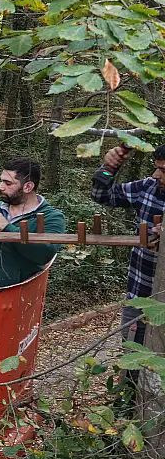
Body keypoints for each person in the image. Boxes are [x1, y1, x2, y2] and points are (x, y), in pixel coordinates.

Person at [93, 144, 165, 344]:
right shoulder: (148, 187)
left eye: (164, 170)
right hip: (139, 297)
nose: (156, 174)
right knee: (132, 361)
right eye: (156, 167)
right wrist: (109, 168)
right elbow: (102, 196)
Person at [0, 158, 66, 287]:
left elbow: (44, 254)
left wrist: (8, 229)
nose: (0, 187)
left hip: (16, 294)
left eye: (8, 183)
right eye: (1, 181)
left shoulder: (52, 217)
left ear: (28, 186)